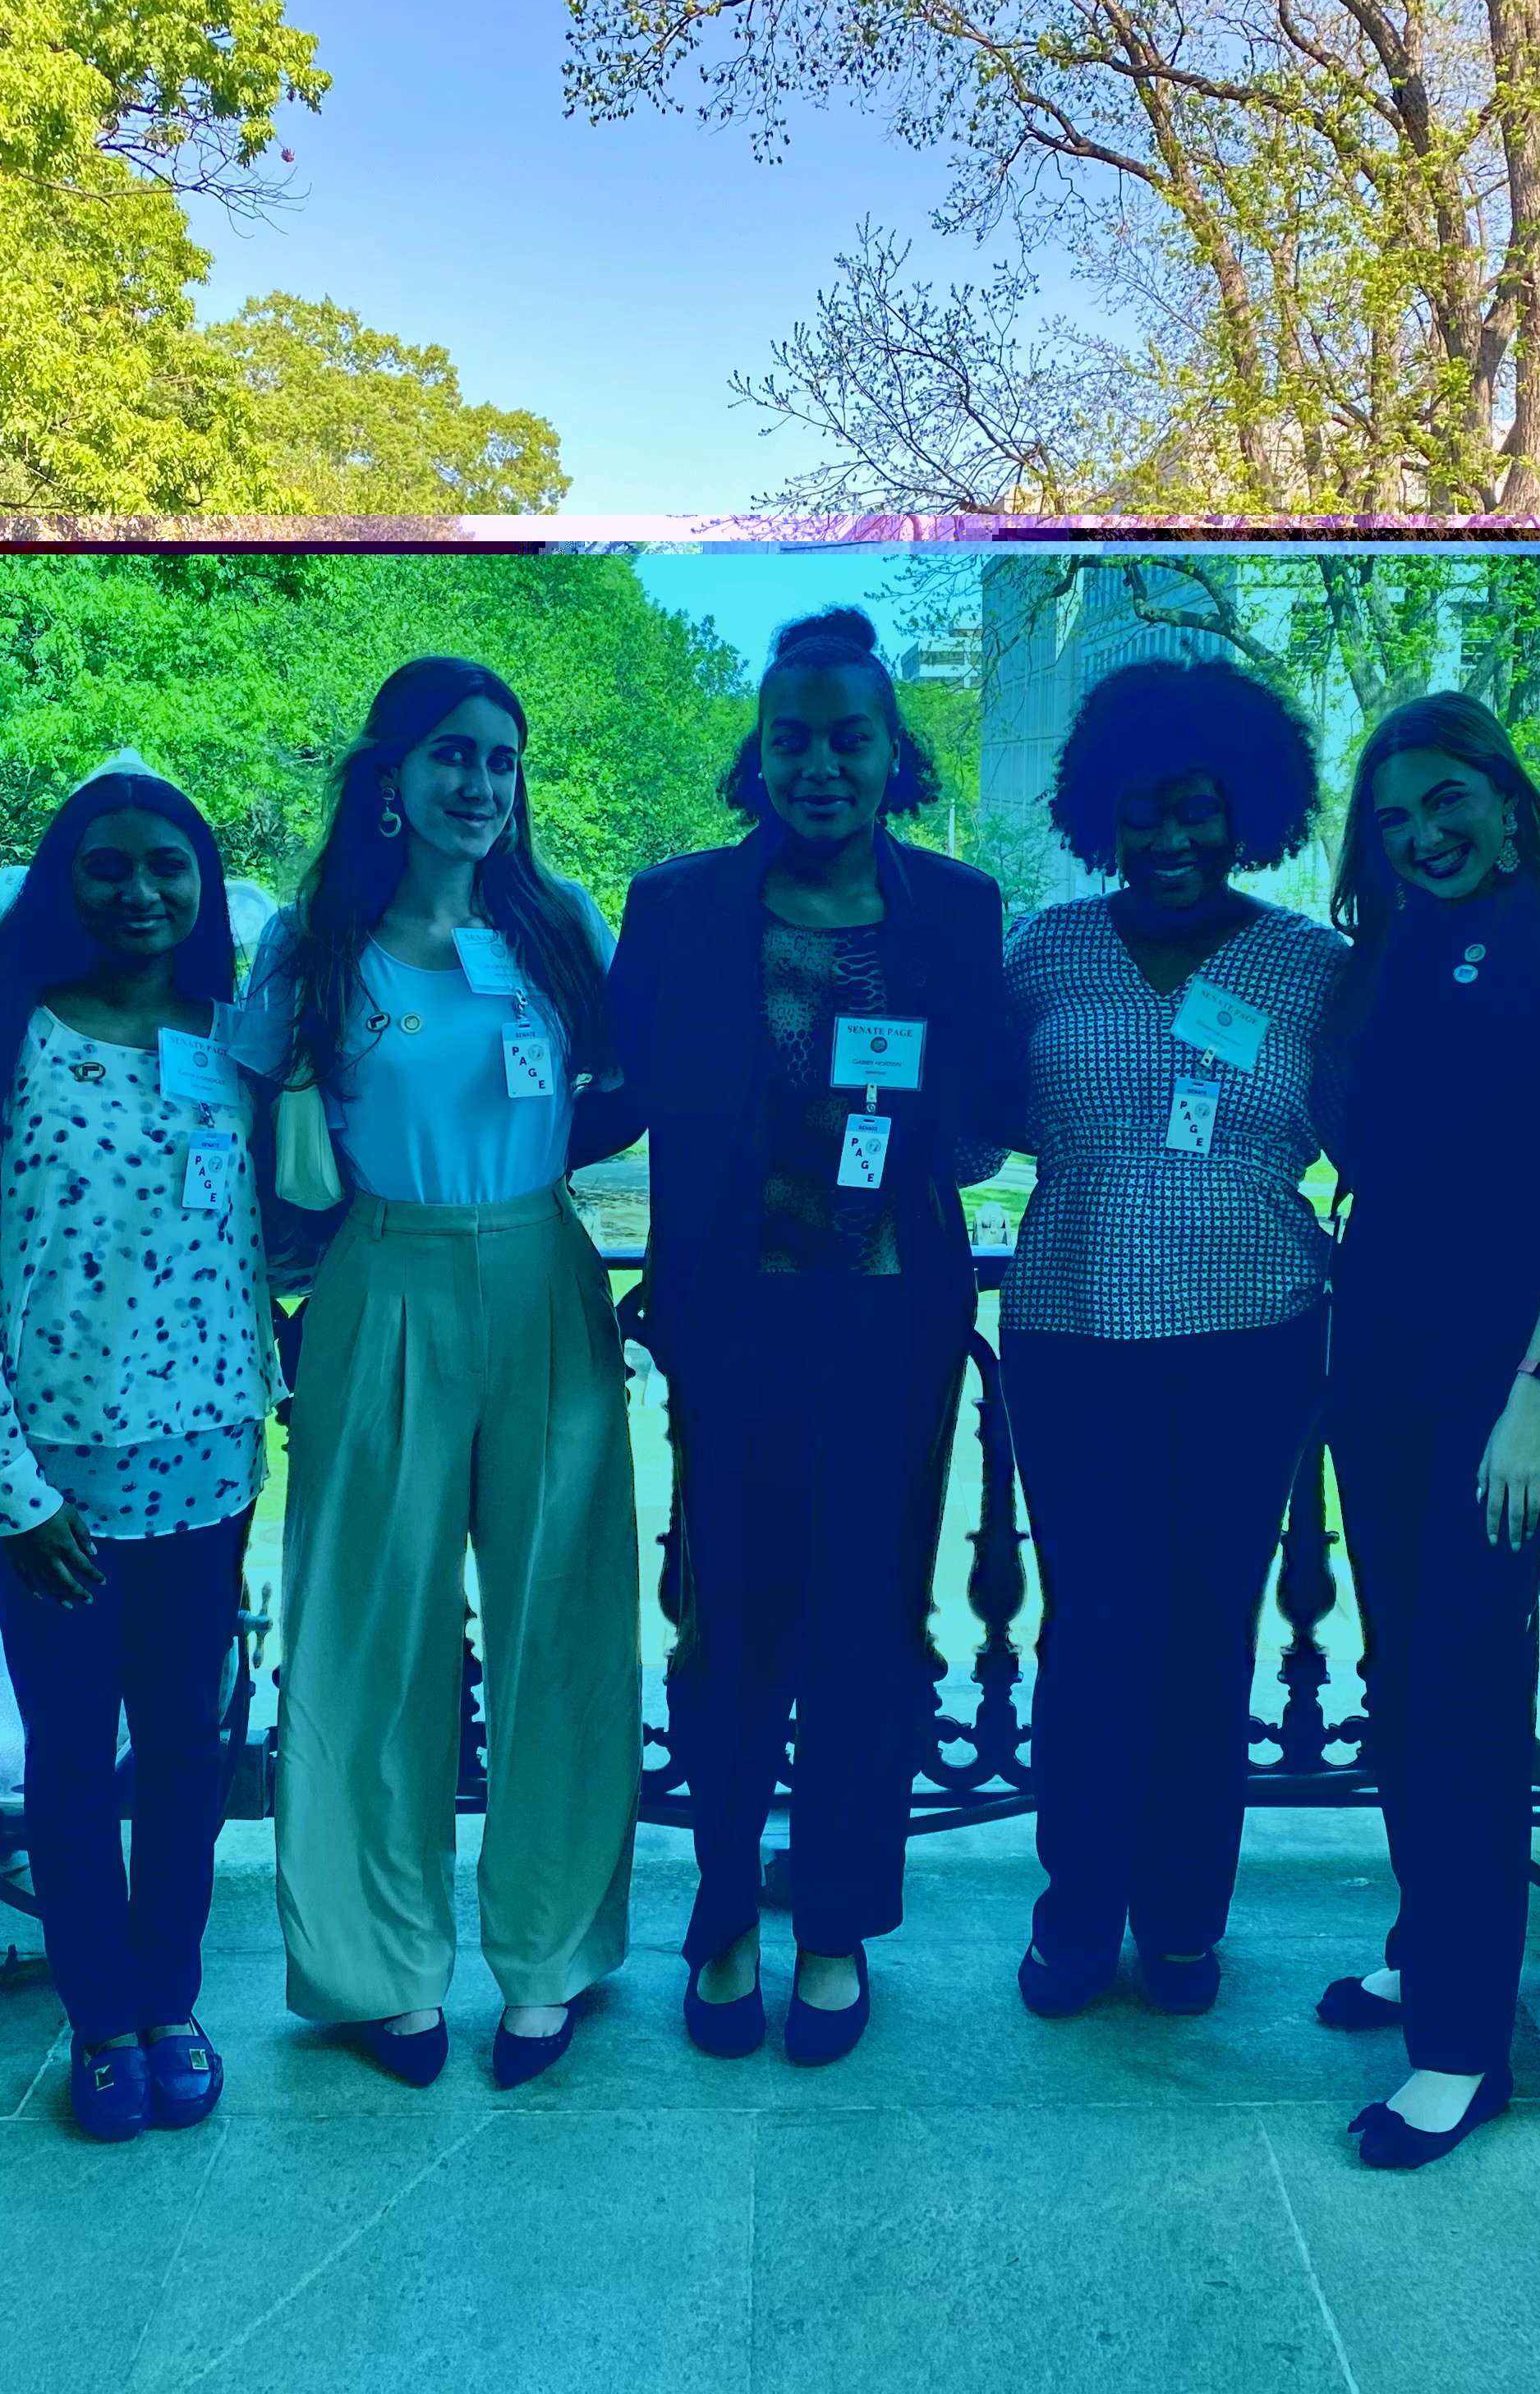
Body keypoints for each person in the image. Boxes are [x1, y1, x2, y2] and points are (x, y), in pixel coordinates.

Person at [573, 607, 1010, 2066]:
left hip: (890, 1333)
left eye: (850, 738)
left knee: (871, 1626)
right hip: (732, 1327)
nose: (820, 762)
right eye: (792, 738)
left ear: (895, 755)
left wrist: (905, 1114)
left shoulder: (955, 911)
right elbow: (618, 1097)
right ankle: (723, 1918)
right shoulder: (679, 906)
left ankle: (833, 1922)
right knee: (725, 1622)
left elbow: (987, 1126)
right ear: (755, 755)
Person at [225, 657, 639, 2090]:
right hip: (380, 1281)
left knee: (562, 1624)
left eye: (503, 761)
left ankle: (551, 1957)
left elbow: (626, 1099)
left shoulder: (559, 927)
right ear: (391, 774)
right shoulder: (314, 945)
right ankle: (373, 1964)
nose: (480, 784)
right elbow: (233, 1124)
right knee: (365, 1631)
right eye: (452, 756)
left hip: (542, 1275)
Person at [1303, 693, 1540, 2170]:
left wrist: (1538, 1397)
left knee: (1466, 1691)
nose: (1425, 835)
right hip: (1372, 1342)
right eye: (1393, 819)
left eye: (1448, 802)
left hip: (1504, 1367)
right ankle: (1423, 1940)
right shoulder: (1369, 965)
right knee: (1399, 1668)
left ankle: (1461, 2045)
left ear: (1509, 803)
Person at [0, 765, 269, 2144]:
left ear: (204, 886)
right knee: (72, 1756)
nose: (142, 891)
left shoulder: (230, 1039)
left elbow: (252, 1231)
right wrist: (7, 1490)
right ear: (67, 878)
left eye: (169, 866)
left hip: (213, 1469)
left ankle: (169, 2001)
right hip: (53, 1486)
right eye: (110, 864)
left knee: (187, 1749)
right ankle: (98, 2018)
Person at [997, 656, 1345, 2020]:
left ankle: (1187, 1919)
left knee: (1209, 1634)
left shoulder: (1315, 967)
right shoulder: (1043, 951)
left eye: (1200, 809)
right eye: (1143, 811)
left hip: (1253, 1341)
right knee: (1095, 1630)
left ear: (1245, 811)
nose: (1172, 838)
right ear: (1102, 817)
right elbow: (973, 1123)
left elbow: (1392, 1135)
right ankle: (1077, 1914)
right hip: (1073, 1336)